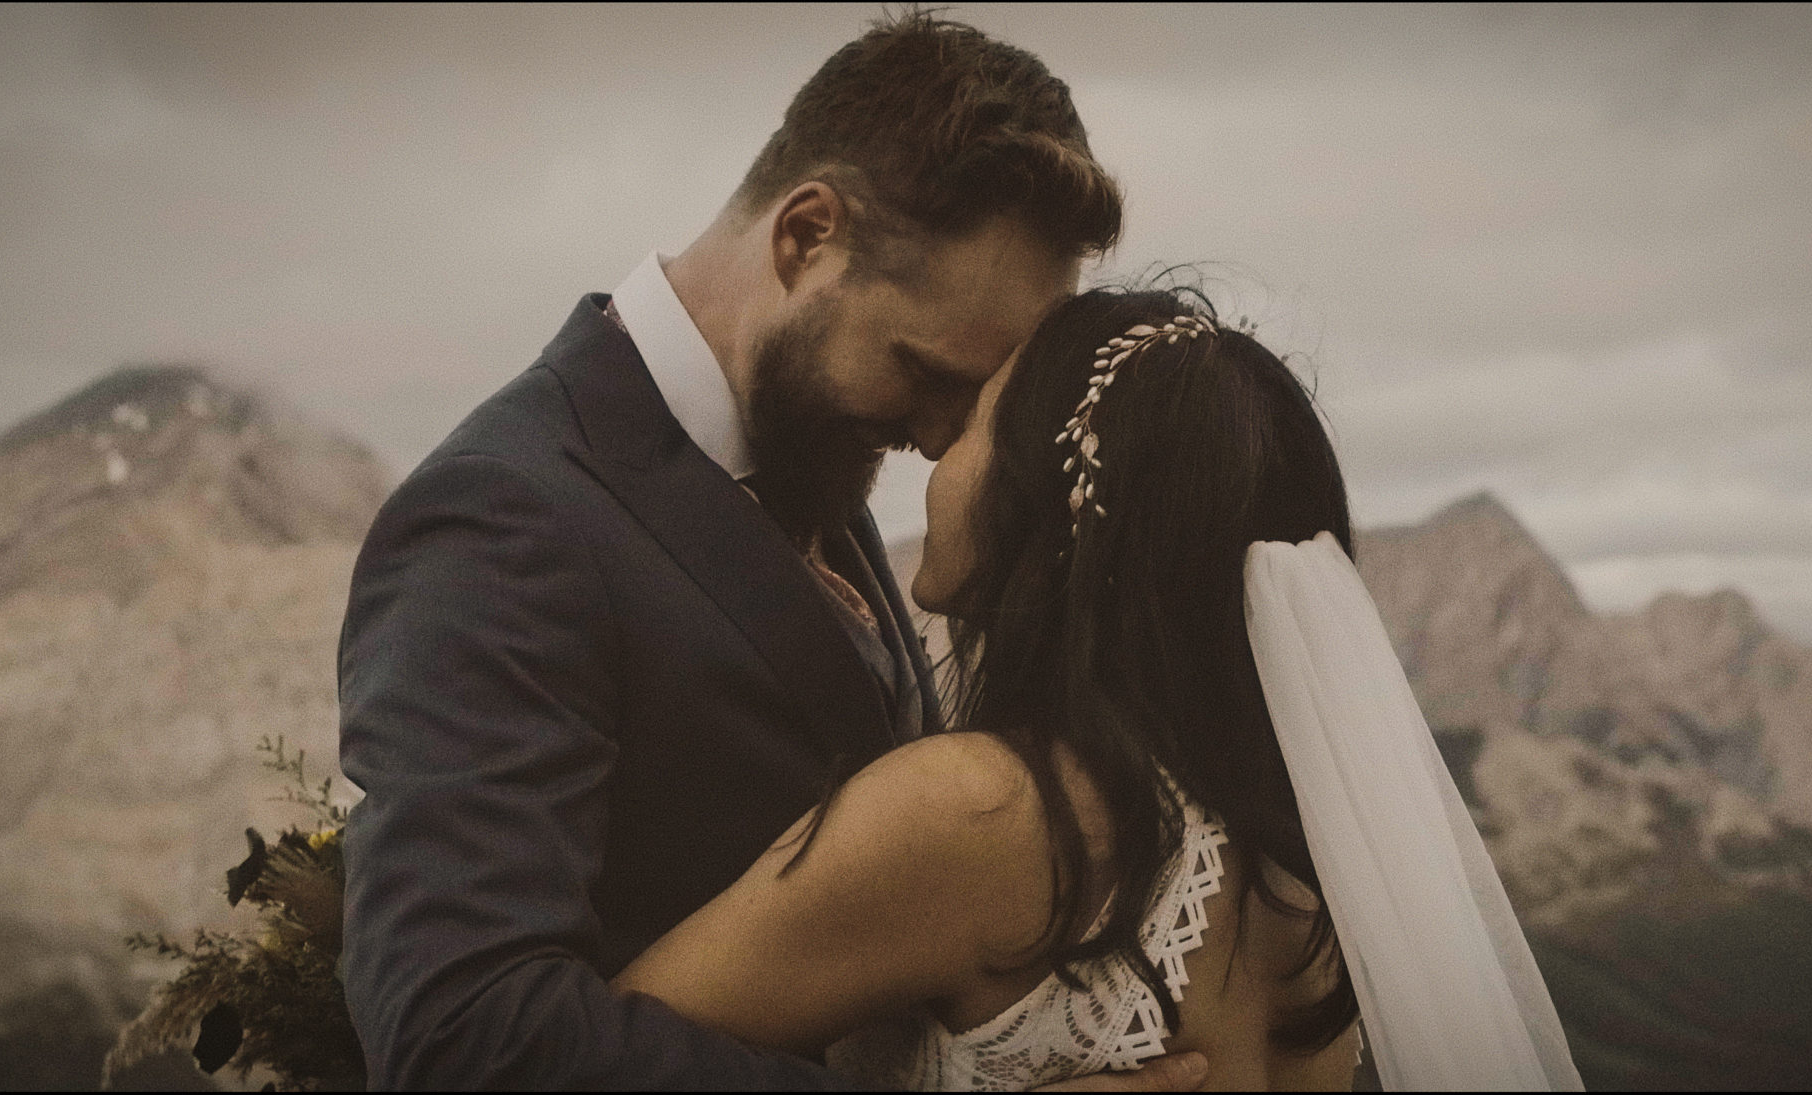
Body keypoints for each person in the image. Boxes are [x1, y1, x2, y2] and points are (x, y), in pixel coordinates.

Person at [334, 12, 1205, 1091]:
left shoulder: (808, 455)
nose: (944, 437)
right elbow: (458, 1036)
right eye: (927, 372)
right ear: (806, 238)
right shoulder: (507, 516)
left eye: (976, 398)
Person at [611, 288, 1586, 1091]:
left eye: (980, 427)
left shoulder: (980, 812)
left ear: (1047, 502)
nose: (939, 454)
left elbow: (565, 1058)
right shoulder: (1301, 879)